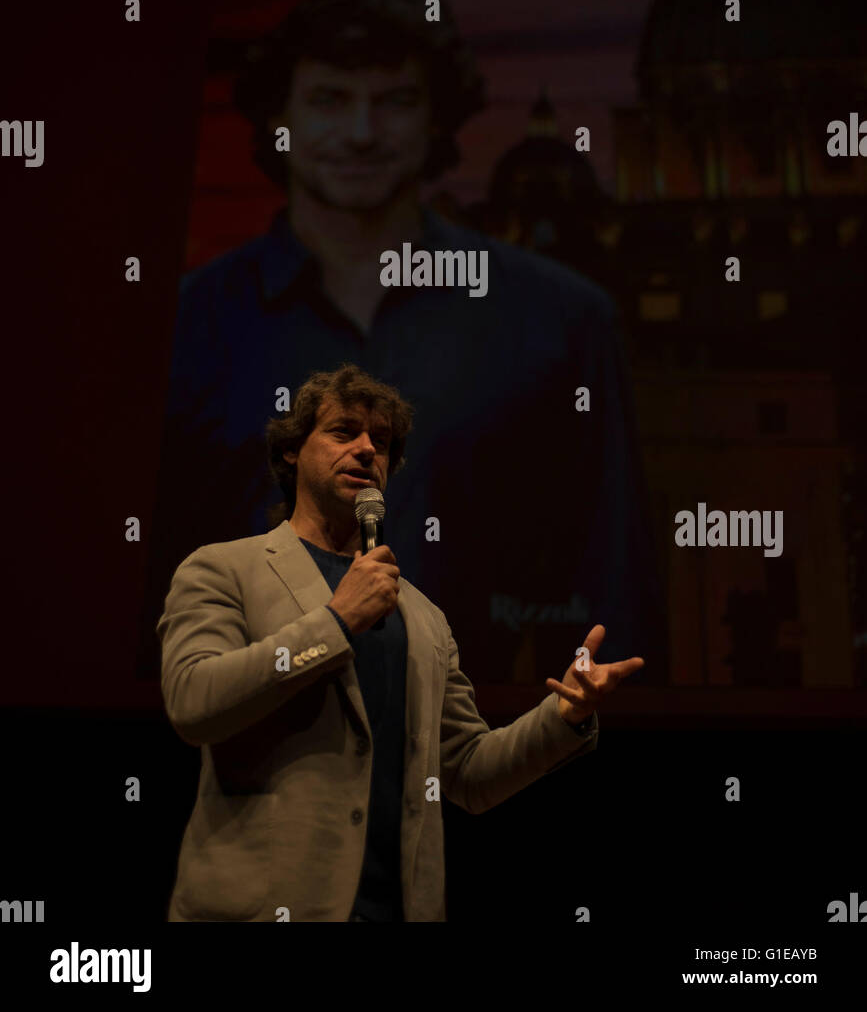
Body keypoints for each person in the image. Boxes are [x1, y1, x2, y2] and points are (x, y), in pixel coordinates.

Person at [142, 0, 666, 689]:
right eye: (328, 100)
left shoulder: (561, 320)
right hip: (237, 763)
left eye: (393, 101)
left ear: (436, 124)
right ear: (279, 120)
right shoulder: (184, 324)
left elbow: (609, 580)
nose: (360, 131)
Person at [158, 363, 645, 922]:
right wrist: (336, 621)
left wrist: (564, 716)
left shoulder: (424, 617)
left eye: (382, 442)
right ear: (292, 451)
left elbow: (467, 772)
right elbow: (195, 703)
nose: (368, 451)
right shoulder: (223, 569)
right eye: (344, 432)